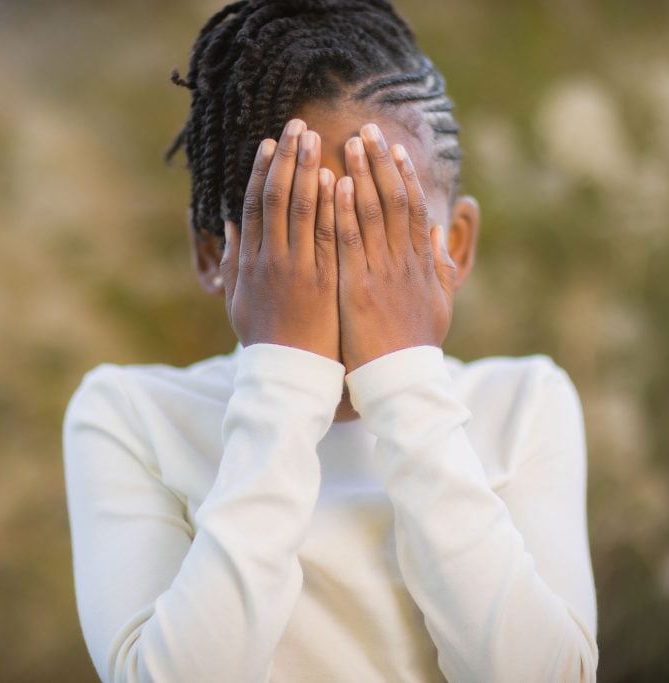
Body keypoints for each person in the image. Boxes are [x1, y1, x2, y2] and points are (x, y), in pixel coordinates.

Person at [62, 1, 598, 680]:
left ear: (456, 246)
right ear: (213, 253)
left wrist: (405, 379)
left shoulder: (523, 404)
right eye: (299, 228)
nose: (352, 271)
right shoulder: (130, 416)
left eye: (387, 231)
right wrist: (285, 378)